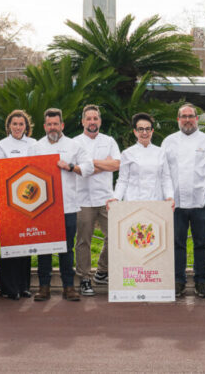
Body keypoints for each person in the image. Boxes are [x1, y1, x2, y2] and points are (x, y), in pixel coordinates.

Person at [163, 103, 205, 299]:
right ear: (178, 119)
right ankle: (178, 282)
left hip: (201, 204)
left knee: (201, 244)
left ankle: (201, 282)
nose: (187, 120)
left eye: (191, 116)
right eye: (184, 116)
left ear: (197, 119)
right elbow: (163, 173)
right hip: (176, 204)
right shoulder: (169, 142)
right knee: (177, 243)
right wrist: (168, 196)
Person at [32, 108, 90, 302]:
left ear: (62, 125)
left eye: (56, 123)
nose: (52, 127)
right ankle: (44, 287)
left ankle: (68, 287)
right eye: (49, 124)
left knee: (67, 249)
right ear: (44, 126)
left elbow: (87, 168)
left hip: (68, 206)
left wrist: (70, 167)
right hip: (42, 208)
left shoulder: (74, 145)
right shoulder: (36, 146)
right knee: (44, 249)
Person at [72, 105, 120, 296]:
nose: (92, 122)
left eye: (95, 118)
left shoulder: (109, 141)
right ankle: (84, 278)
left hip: (106, 197)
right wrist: (102, 163)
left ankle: (102, 271)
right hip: (82, 198)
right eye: (88, 119)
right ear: (83, 121)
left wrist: (89, 164)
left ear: (100, 121)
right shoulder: (74, 143)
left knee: (115, 235)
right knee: (83, 240)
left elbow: (116, 164)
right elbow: (75, 168)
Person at [0, 109, 34, 300]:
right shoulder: (2, 145)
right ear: (9, 126)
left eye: (21, 124)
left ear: (26, 126)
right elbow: (0, 170)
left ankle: (24, 286)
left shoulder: (34, 144)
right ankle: (9, 289)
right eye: (15, 124)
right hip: (10, 200)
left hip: (30, 199)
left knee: (26, 244)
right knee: (10, 244)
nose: (18, 127)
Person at [108, 112, 174, 205]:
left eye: (147, 129)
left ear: (152, 131)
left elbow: (166, 179)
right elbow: (123, 180)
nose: (144, 132)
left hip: (156, 202)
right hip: (133, 202)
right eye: (140, 129)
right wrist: (116, 198)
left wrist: (169, 197)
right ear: (135, 132)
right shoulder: (127, 154)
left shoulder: (161, 153)